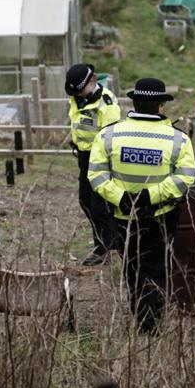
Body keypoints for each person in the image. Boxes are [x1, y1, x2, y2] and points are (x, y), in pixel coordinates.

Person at [87, 78, 195, 334]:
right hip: (160, 214)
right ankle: (150, 325)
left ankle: (141, 316)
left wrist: (120, 197)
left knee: (132, 267)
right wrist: (152, 196)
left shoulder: (109, 134)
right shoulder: (178, 139)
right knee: (156, 268)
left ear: (134, 103)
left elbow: (96, 174)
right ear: (160, 105)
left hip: (122, 215)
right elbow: (185, 177)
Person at [66, 63, 121, 265]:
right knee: (85, 201)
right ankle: (110, 239)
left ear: (93, 81)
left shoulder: (106, 105)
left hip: (101, 158)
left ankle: (104, 246)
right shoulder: (78, 97)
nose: (78, 94)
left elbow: (111, 135)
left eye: (81, 90)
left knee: (99, 206)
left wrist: (105, 161)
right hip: (83, 156)